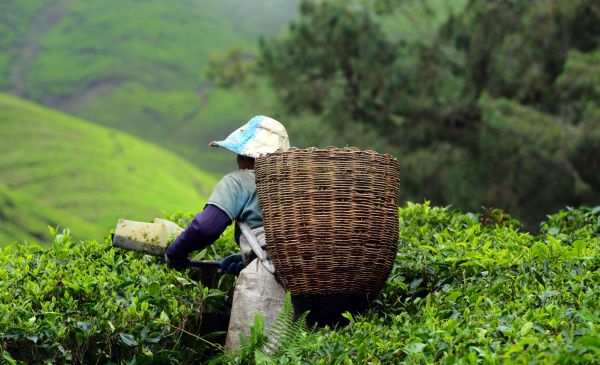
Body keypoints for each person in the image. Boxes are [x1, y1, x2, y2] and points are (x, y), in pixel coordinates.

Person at [164, 115, 290, 349]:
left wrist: (175, 252)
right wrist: (247, 259)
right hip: (300, 279)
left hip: (267, 281)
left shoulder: (241, 180)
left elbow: (206, 227)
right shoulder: (293, 187)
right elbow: (278, 241)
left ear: (243, 155)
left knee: (250, 352)